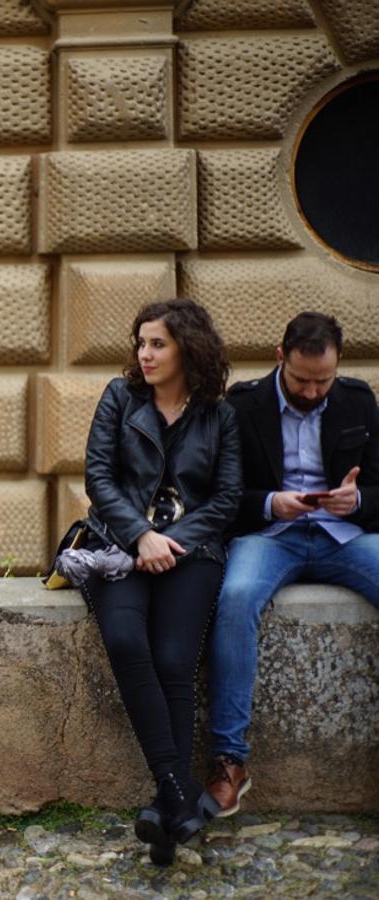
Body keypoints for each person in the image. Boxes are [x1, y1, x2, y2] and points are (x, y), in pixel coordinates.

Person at [80, 299, 241, 866]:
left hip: (192, 552)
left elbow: (226, 498)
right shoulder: (120, 398)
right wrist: (141, 536)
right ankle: (178, 794)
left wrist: (172, 542)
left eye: (158, 344)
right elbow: (98, 477)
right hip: (114, 546)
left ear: (187, 350)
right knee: (126, 640)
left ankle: (161, 811)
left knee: (175, 659)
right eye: (141, 343)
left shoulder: (218, 414)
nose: (144, 354)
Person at [207, 312, 379, 816]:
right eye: (302, 379)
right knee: (236, 599)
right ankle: (229, 761)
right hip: (271, 536)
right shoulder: (242, 406)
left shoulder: (359, 400)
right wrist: (270, 504)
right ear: (281, 358)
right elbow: (221, 496)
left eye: (322, 380)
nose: (311, 391)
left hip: (342, 535)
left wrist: (359, 502)